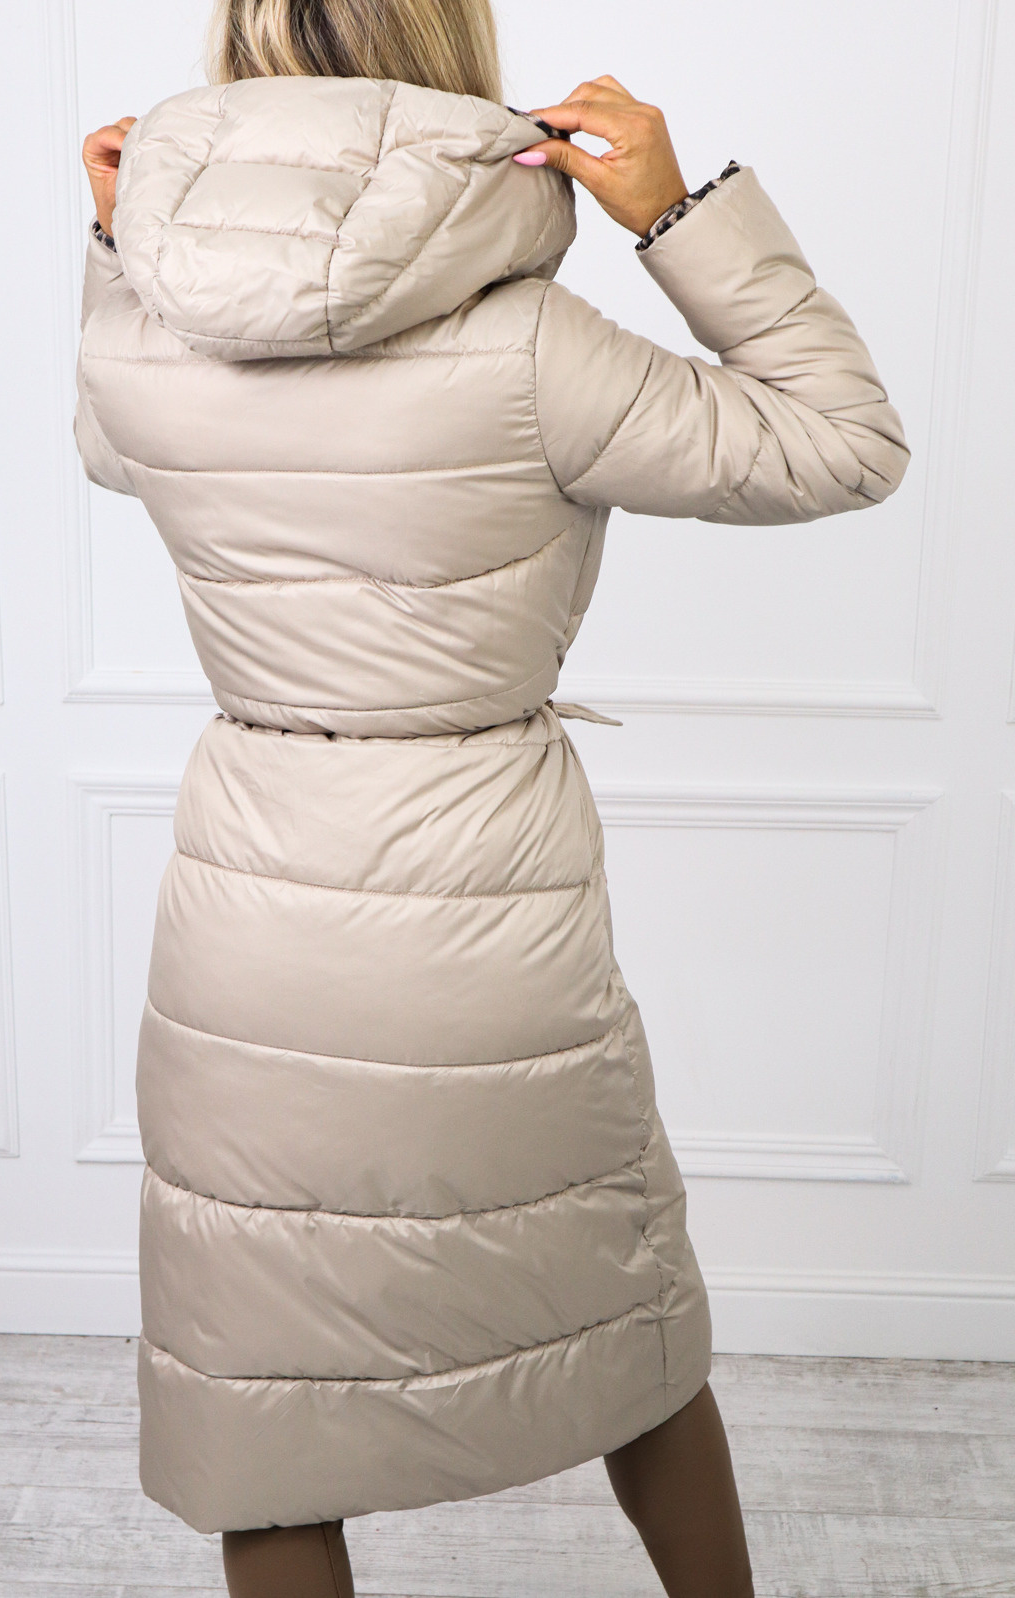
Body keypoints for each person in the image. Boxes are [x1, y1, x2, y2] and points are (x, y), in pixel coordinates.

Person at [75, 3, 908, 1594]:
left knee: (268, 1407)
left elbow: (107, 445)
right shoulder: (530, 347)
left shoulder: (143, 326)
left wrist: (123, 247)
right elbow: (843, 443)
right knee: (625, 1332)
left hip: (250, 913)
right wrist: (678, 213)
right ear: (445, 43)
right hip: (488, 913)